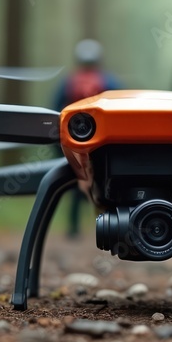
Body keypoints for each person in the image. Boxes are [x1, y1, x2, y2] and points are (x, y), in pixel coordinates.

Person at [54, 39, 121, 238]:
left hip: (76, 143)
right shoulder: (108, 81)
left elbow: (56, 110)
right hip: (103, 143)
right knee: (106, 182)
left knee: (76, 182)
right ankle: (110, 228)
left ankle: (73, 229)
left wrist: (59, 146)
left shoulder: (68, 82)